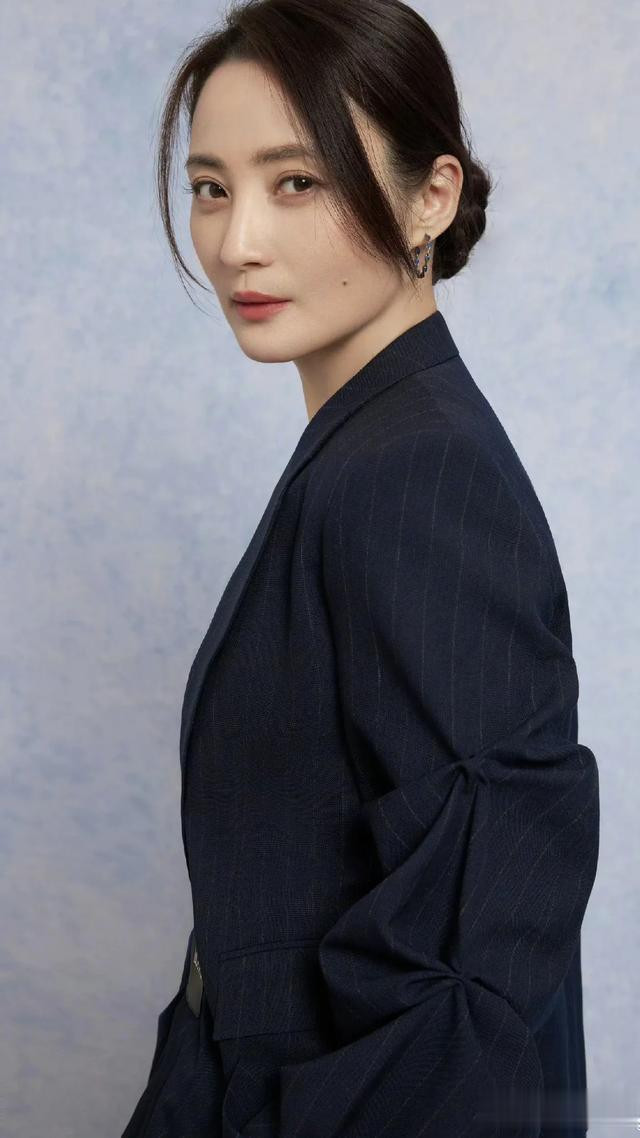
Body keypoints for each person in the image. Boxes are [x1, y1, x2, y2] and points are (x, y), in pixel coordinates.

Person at [121, 1, 600, 1135]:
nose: (238, 241)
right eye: (210, 187)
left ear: (431, 195)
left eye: (297, 181)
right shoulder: (368, 448)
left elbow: (480, 943)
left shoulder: (416, 472)